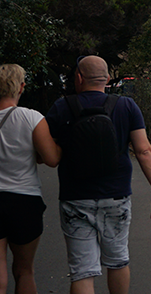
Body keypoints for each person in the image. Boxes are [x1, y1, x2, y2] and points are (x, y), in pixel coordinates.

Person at [46, 56, 151, 294]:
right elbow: (144, 150)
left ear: (78, 78)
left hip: (75, 197)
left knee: (82, 271)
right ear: (108, 78)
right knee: (118, 260)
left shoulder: (62, 107)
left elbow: (48, 152)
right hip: (116, 196)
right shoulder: (126, 106)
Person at [0, 64, 61, 294]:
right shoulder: (31, 118)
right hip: (24, 201)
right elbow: (52, 158)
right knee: (24, 270)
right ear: (21, 87)